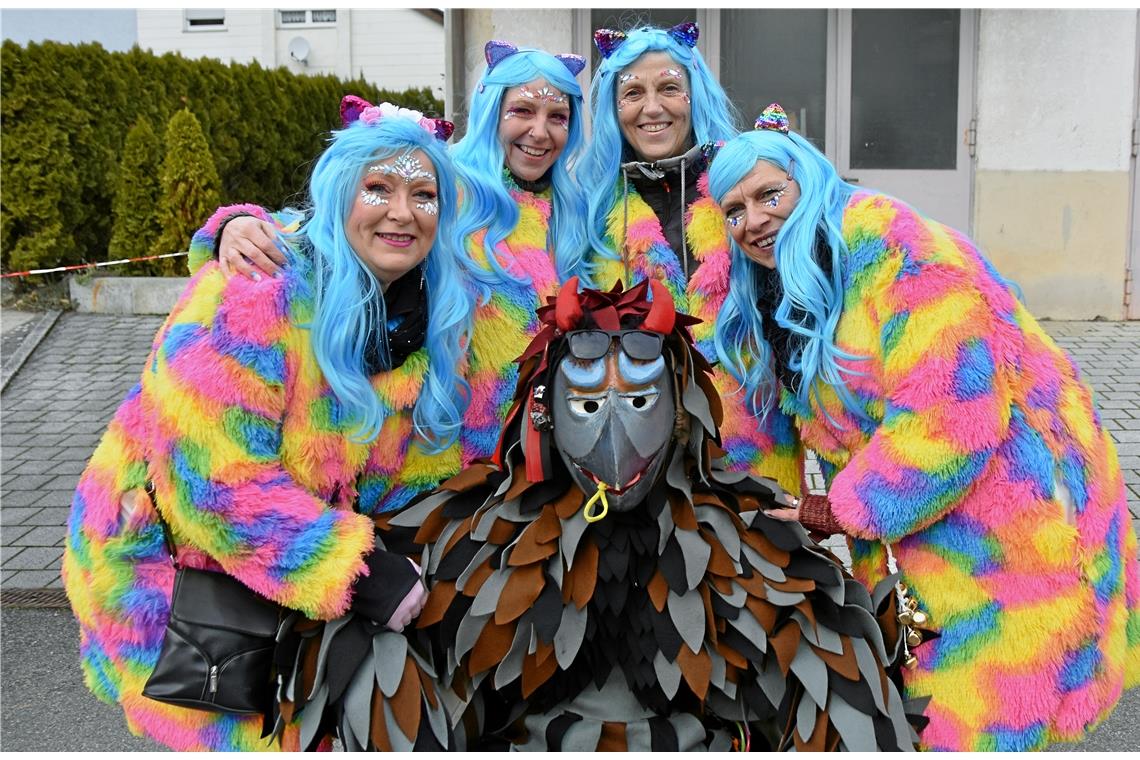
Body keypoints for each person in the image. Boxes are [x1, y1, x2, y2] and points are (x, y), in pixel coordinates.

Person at [708, 103, 1140, 751]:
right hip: (900, 537)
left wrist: (841, 508)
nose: (753, 221)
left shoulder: (901, 252)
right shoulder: (772, 290)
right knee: (914, 683)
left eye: (770, 194)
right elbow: (760, 426)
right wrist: (751, 515)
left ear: (810, 181)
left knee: (987, 707)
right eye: (734, 211)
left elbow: (951, 417)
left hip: (1005, 516)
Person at [62, 101, 474, 751]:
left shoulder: (422, 317)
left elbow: (407, 468)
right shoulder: (260, 287)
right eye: (378, 188)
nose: (402, 211)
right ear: (339, 193)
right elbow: (213, 486)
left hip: (286, 576)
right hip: (177, 581)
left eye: (424, 194)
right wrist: (360, 570)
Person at [200, 42, 592, 466]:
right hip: (447, 450)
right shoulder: (443, 180)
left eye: (558, 117)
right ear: (491, 111)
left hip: (543, 446)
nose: (540, 131)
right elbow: (326, 221)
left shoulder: (579, 211)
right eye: (522, 111)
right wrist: (232, 225)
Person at [577, 22, 803, 493]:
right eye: (633, 92)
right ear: (613, 109)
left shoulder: (743, 189)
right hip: (636, 460)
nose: (652, 107)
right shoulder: (590, 206)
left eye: (669, 88)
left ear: (693, 95)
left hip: (751, 453)